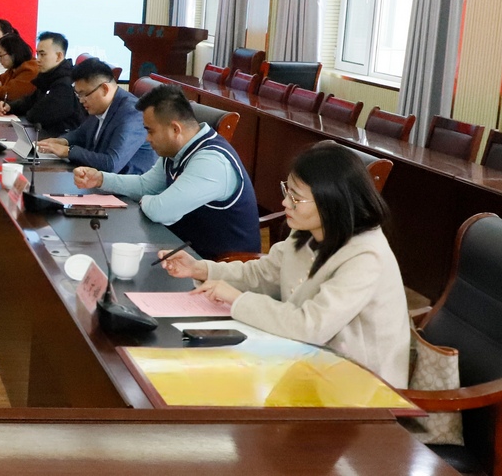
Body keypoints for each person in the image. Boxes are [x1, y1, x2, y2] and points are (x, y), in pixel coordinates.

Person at [160, 142, 411, 387]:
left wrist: (237, 299)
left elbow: (310, 326)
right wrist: (201, 269)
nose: (285, 204)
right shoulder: (308, 230)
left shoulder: (365, 256)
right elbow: (263, 273)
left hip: (359, 386)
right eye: (287, 191)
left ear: (331, 201)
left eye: (296, 198)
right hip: (305, 361)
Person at [73, 84, 259, 259]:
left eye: (151, 131)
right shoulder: (176, 150)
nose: (147, 139)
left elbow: (161, 211)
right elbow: (146, 185)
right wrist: (101, 179)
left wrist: (146, 199)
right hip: (183, 252)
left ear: (175, 129)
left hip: (220, 265)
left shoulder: (211, 162)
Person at [37, 57, 155, 174]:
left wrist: (68, 151)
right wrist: (62, 141)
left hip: (125, 183)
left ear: (104, 89)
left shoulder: (132, 113)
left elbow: (111, 164)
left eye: (84, 94)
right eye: (78, 95)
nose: (81, 100)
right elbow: (82, 133)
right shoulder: (101, 106)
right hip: (97, 178)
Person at [0, 32, 84, 137]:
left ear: (59, 56)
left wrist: (29, 110)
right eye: (37, 54)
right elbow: (30, 100)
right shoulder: (48, 76)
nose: (38, 59)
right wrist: (9, 106)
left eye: (43, 54)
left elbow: (38, 115)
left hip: (58, 138)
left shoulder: (65, 84)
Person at [0, 32, 40, 103]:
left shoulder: (30, 70)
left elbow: (9, 93)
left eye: (0, 55)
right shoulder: (13, 69)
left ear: (13, 53)